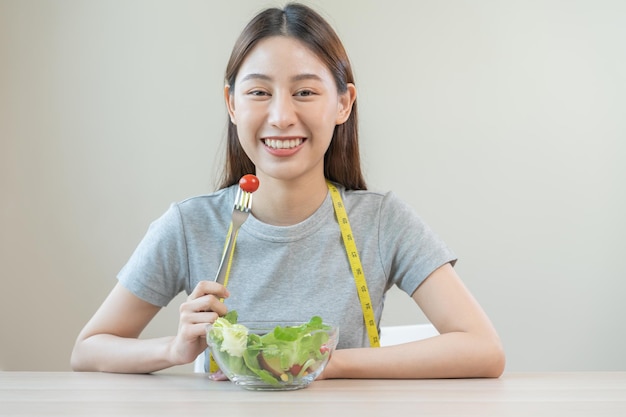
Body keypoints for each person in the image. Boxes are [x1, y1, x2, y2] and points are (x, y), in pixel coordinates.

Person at [71, 2, 505, 379]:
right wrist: (173, 350)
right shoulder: (190, 225)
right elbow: (88, 349)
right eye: (259, 91)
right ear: (231, 104)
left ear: (343, 103)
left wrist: (327, 364)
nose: (280, 116)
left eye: (305, 92)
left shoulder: (381, 222)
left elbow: (483, 349)